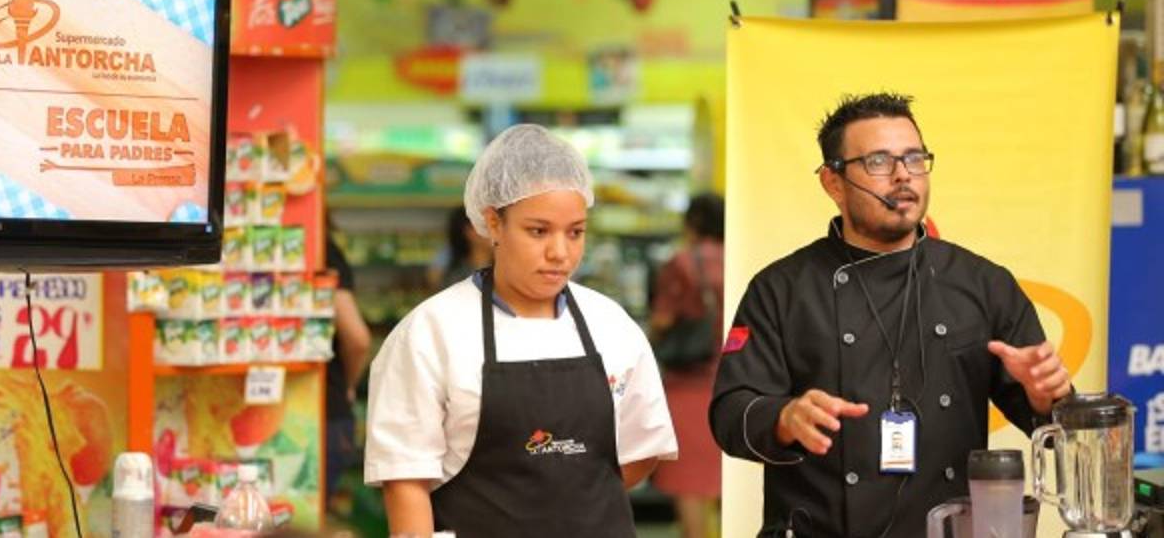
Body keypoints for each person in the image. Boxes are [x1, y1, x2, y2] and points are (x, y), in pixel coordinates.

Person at [708, 93, 1073, 537]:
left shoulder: (982, 283)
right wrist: (783, 418)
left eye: (914, 158)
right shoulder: (782, 289)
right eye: (878, 161)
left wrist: (1046, 399)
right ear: (833, 182)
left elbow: (1058, 428)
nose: (903, 174)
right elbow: (730, 413)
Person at [364, 124, 678, 538]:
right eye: (538, 231)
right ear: (493, 223)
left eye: (575, 232)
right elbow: (405, 481)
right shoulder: (431, 333)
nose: (560, 252)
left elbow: (640, 453)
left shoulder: (611, 326)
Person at [649, 193, 725, 538]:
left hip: (688, 386)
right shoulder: (739, 255)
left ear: (692, 222)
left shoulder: (682, 262)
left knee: (690, 486)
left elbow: (663, 319)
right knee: (725, 483)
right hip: (732, 381)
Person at [323, 225, 372, 503]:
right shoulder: (322, 247)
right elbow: (358, 339)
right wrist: (348, 385)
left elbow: (358, 339)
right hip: (326, 409)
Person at [426, 206, 493, 291]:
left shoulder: (503, 265)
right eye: (486, 226)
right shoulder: (456, 273)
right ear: (469, 232)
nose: (493, 231)